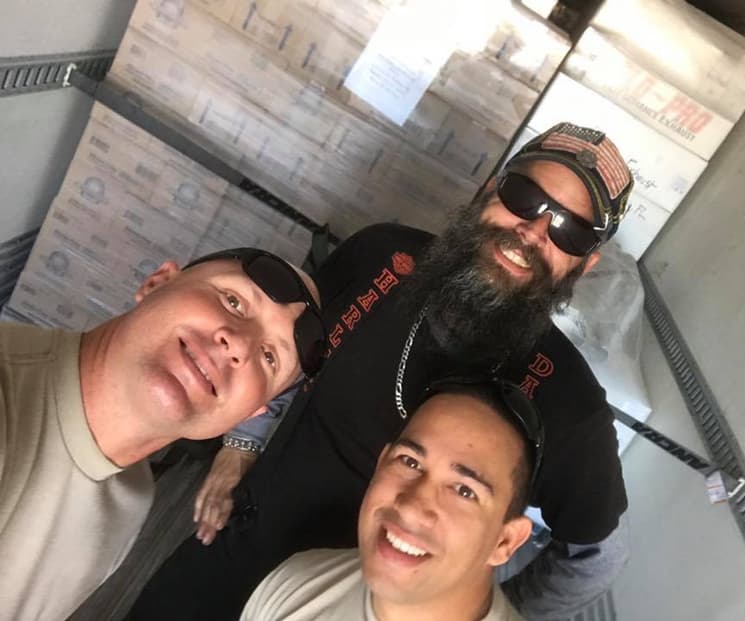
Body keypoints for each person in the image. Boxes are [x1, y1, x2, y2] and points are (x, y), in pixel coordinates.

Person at [129, 121, 633, 620]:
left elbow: (595, 555)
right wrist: (242, 444)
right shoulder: (382, 256)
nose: (533, 231)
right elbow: (287, 347)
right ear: (487, 192)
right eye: (524, 196)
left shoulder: (568, 404)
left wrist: (492, 610)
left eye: (570, 230)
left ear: (584, 265)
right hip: (241, 538)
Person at [0, 247, 324, 621]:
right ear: (157, 283)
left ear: (251, 414)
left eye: (270, 357)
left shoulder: (130, 499)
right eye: (233, 301)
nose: (238, 344)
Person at [241, 377, 540, 621]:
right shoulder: (297, 584)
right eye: (409, 462)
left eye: (464, 490)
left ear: (505, 542)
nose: (411, 506)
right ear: (381, 463)